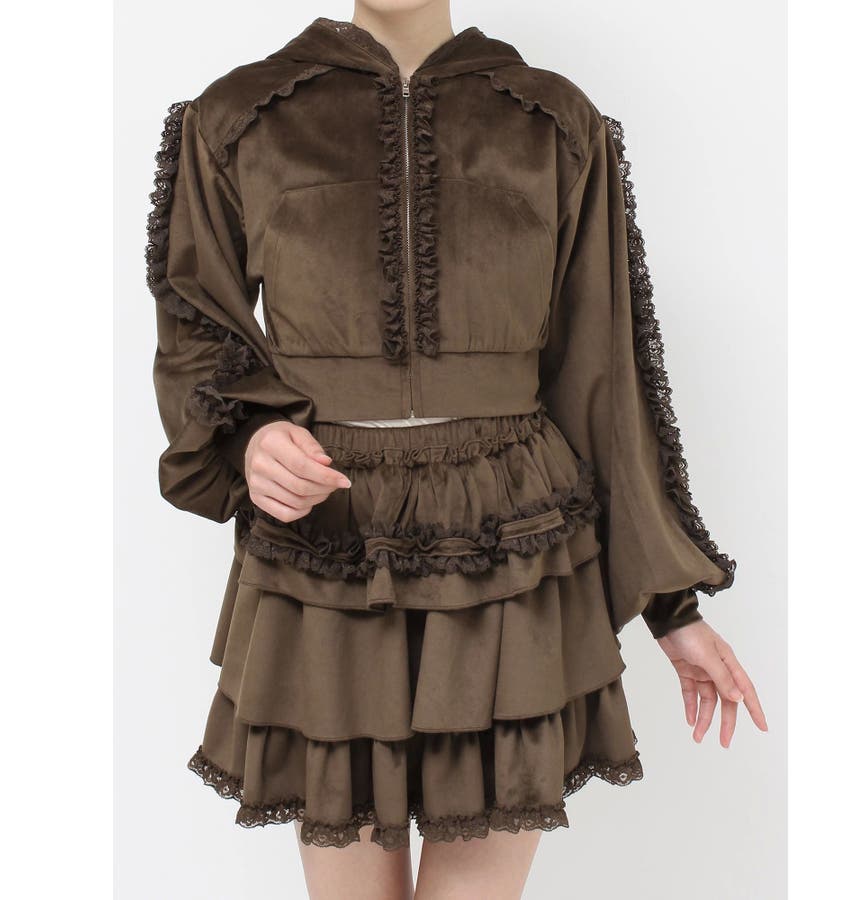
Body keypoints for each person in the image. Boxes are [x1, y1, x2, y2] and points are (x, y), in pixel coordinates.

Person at [145, 2, 768, 897]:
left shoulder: (552, 120)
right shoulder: (239, 115)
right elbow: (195, 321)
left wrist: (672, 606)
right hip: (328, 540)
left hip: (508, 549)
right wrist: (249, 435)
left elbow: (601, 370)